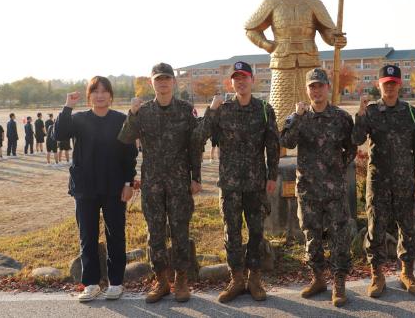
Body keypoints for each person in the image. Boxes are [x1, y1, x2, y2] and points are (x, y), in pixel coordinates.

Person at [195, 61, 279, 303]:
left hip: (255, 184)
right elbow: (199, 137)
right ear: (231, 82)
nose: (241, 82)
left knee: (256, 231)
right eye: (236, 78)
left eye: (245, 77)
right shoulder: (223, 109)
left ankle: (254, 279)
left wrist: (272, 175)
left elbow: (272, 145)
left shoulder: (264, 109)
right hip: (230, 184)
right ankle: (237, 279)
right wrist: (211, 110)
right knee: (231, 233)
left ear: (253, 80)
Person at [118, 62, 202, 304]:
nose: (163, 82)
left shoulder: (186, 110)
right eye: (158, 79)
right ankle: (162, 281)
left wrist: (195, 177)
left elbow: (195, 146)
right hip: (152, 182)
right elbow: (125, 139)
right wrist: (131, 114)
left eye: (167, 78)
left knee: (180, 232)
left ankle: (182, 280)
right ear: (151, 83)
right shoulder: (143, 112)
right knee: (155, 234)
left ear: (173, 82)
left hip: (178, 183)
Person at [244, 0, 346, 132]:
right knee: (280, 106)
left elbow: (327, 30)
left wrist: (335, 39)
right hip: (283, 60)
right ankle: (280, 144)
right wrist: (267, 45)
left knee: (314, 107)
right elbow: (250, 28)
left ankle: (313, 143)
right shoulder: (272, 2)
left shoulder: (313, 2)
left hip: (309, 61)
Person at [55, 76, 139, 302]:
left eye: (104, 91)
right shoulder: (79, 119)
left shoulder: (121, 120)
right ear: (89, 95)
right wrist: (68, 106)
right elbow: (59, 134)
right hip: (85, 188)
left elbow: (129, 154)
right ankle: (91, 283)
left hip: (114, 187)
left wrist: (128, 183)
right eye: (95, 91)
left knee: (116, 236)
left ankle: (116, 283)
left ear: (111, 96)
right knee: (87, 236)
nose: (100, 95)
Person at [280, 68, 356, 307]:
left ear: (327, 87)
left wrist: (337, 170)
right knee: (311, 236)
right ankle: (318, 278)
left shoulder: (341, 117)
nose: (316, 90)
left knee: (338, 237)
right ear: (307, 89)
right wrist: (296, 116)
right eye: (312, 86)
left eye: (320, 85)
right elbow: (286, 142)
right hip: (308, 190)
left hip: (334, 190)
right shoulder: (300, 118)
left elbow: (351, 147)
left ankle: (339, 283)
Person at [352, 64, 415, 298]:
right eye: (386, 84)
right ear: (379, 85)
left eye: (394, 83)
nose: (390, 88)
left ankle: (407, 272)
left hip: (405, 181)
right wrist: (360, 115)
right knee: (376, 229)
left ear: (400, 85)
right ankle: (377, 275)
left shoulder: (411, 113)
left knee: (409, 229)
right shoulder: (372, 112)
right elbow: (356, 139)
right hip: (379, 182)